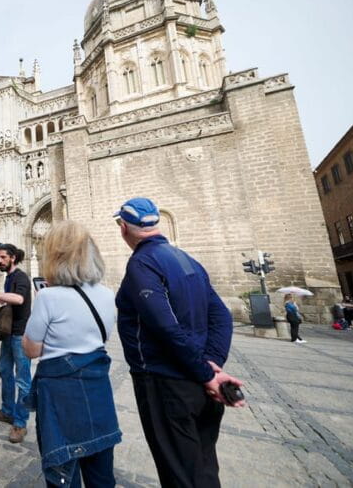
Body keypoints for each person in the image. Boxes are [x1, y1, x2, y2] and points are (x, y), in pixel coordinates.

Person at [114, 197, 245, 488]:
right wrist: (212, 365)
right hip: (199, 387)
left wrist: (206, 373)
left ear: (123, 227)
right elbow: (221, 317)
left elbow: (165, 327)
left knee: (180, 476)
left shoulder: (141, 264)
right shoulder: (187, 259)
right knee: (204, 470)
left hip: (165, 385)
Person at [22, 221, 120, 487]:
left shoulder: (48, 297)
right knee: (102, 475)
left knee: (63, 476)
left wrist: (53, 341)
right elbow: (100, 338)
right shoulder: (107, 294)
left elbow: (31, 350)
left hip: (61, 398)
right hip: (98, 391)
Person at [0, 243, 32, 444]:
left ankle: (20, 423)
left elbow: (19, 299)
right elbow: (9, 301)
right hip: (8, 333)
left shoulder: (21, 277)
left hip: (20, 335)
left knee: (23, 380)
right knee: (5, 372)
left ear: (13, 257)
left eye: (3, 257)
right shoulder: (9, 278)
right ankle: (7, 411)